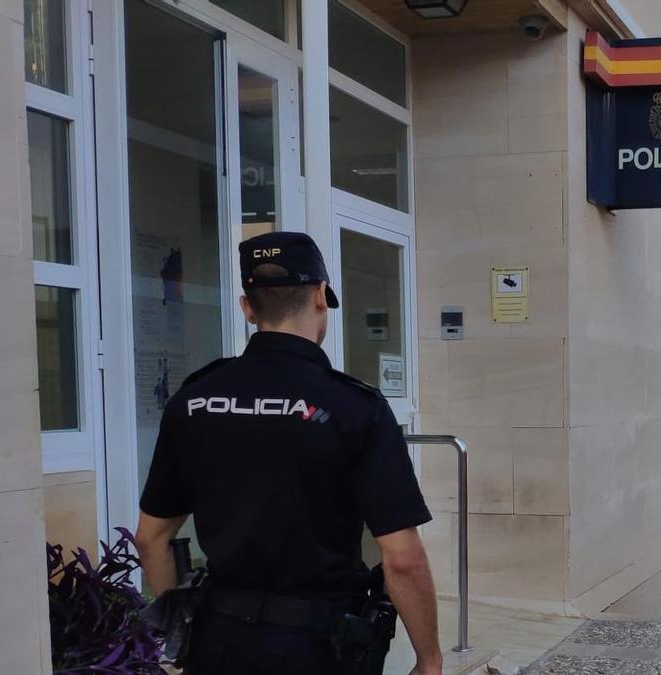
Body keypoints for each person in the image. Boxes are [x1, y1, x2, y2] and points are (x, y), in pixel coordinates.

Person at [134, 232, 443, 675]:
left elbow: (151, 537)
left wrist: (178, 636)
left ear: (247, 306)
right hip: (319, 647)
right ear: (320, 296)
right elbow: (402, 558)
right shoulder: (354, 407)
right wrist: (428, 661)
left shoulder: (194, 399)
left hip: (218, 640)